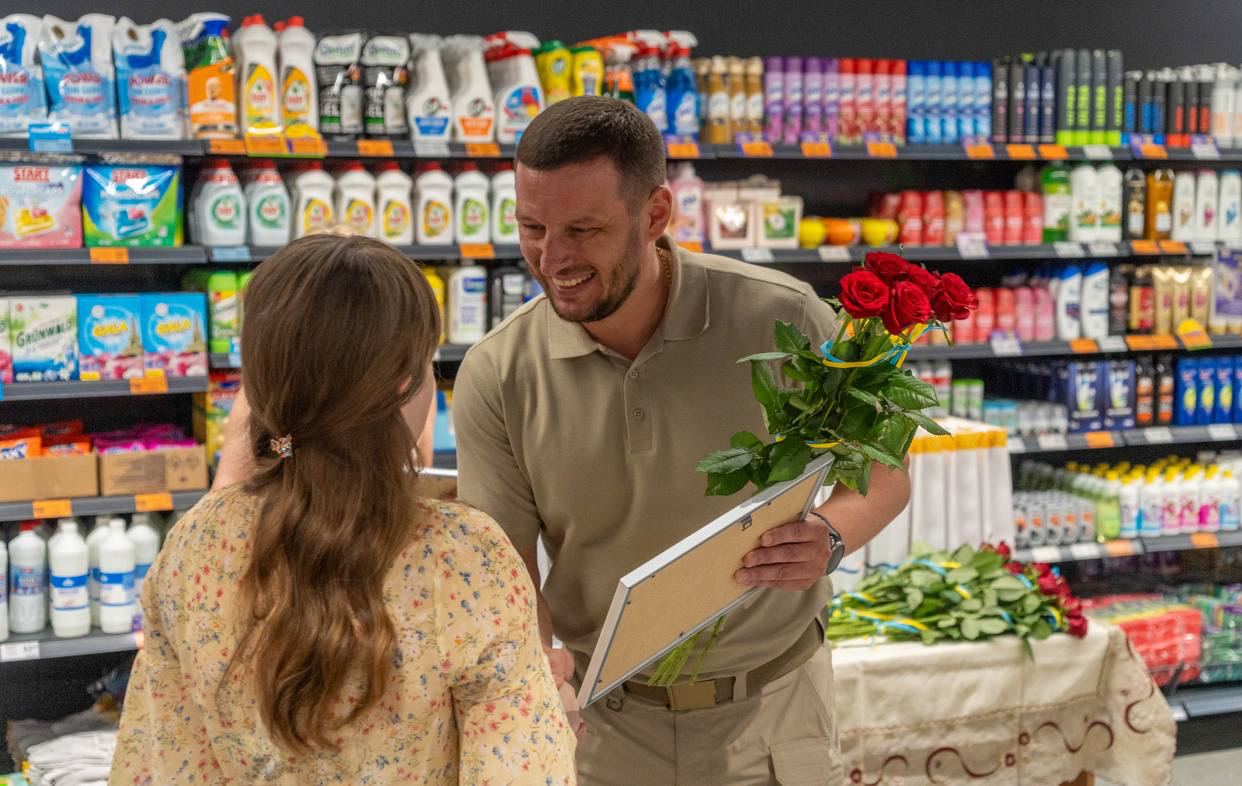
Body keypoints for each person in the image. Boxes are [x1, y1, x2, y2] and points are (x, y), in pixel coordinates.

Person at [451, 96, 911, 785]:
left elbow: (884, 472)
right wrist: (538, 679)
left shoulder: (782, 318)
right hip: (602, 727)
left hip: (774, 710)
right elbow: (508, 572)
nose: (552, 258)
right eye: (531, 227)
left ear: (656, 215)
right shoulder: (497, 372)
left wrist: (832, 537)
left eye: (583, 229)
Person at [109, 235, 575, 785]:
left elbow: (159, 766)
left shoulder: (195, 545)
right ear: (404, 385)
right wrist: (552, 720)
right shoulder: (465, 558)